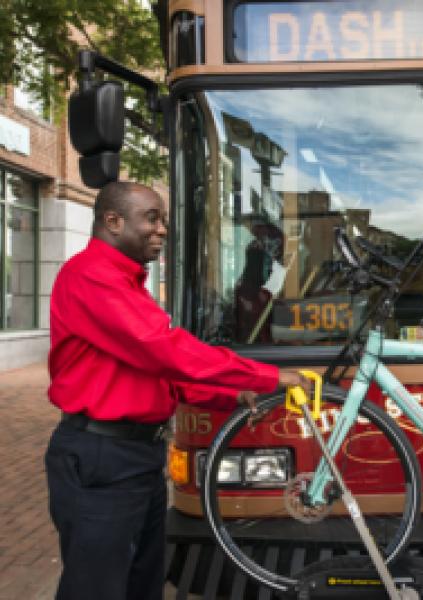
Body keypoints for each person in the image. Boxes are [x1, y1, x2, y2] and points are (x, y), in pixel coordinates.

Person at [45, 181, 309, 600]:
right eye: (152, 218)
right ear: (113, 222)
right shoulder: (90, 276)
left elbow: (156, 373)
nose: (163, 229)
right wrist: (265, 377)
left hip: (136, 459)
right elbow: (166, 350)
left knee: (142, 584)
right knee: (97, 589)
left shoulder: (128, 283)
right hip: (103, 459)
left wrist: (230, 396)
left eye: (164, 220)